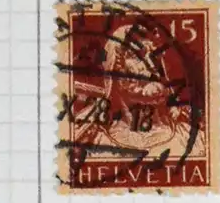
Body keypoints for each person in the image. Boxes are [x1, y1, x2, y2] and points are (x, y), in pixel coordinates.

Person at [69, 17, 201, 166]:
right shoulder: (92, 142)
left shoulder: (192, 139)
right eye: (136, 56)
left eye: (153, 55)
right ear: (114, 69)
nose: (152, 65)